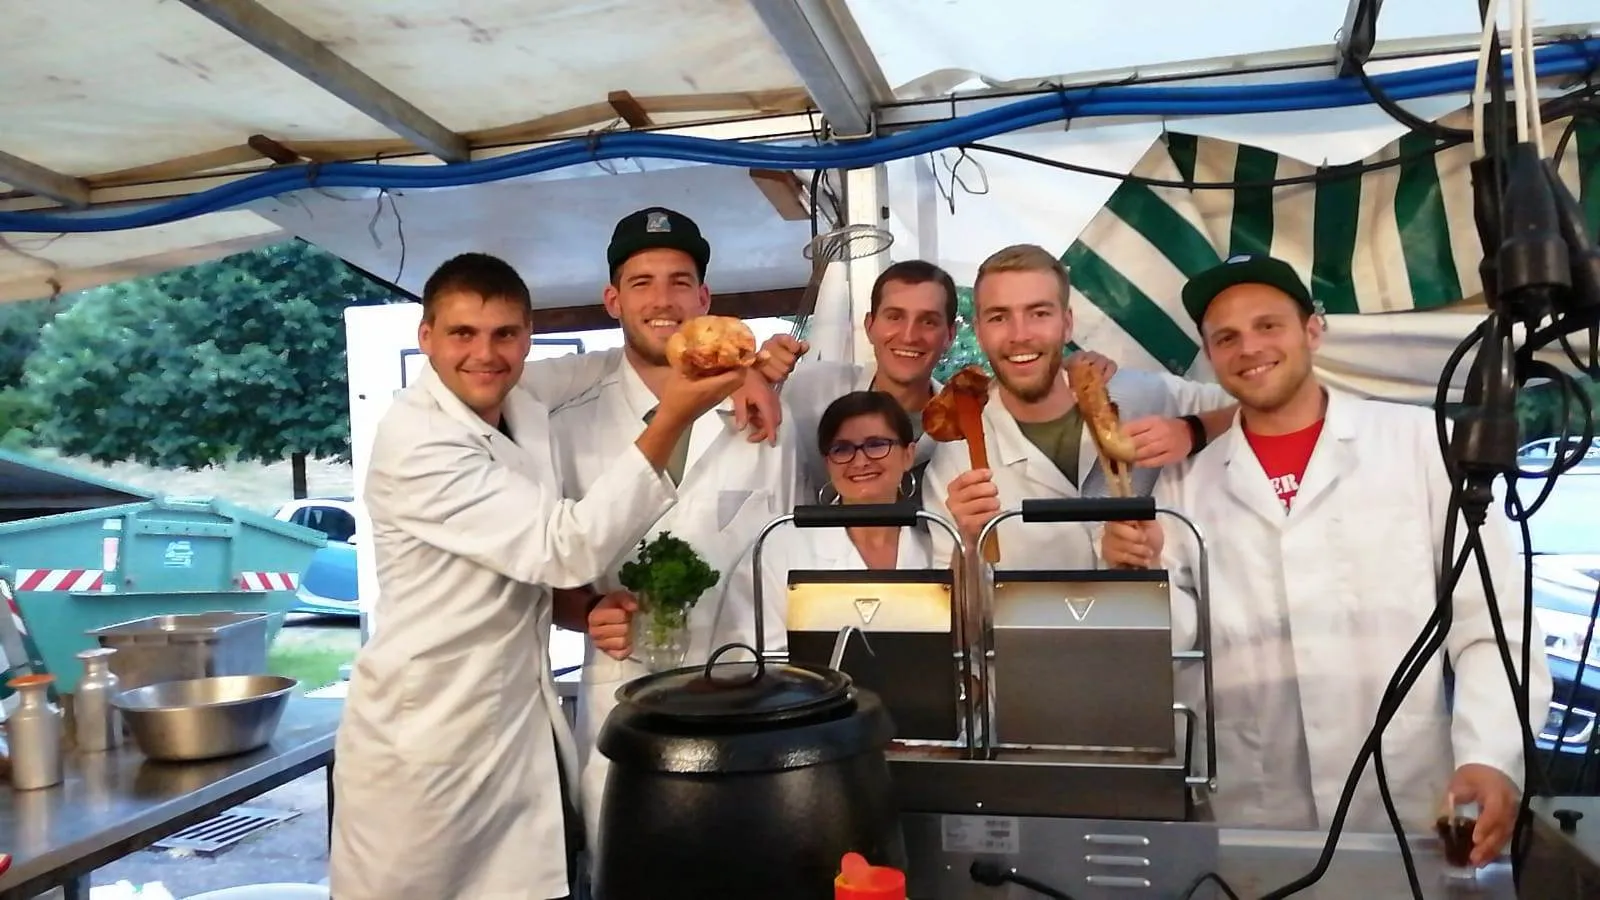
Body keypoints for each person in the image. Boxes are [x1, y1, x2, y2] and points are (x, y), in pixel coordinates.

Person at [1099, 253, 1551, 861]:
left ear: (1313, 329)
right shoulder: (1188, 482)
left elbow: (1493, 627)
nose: (1249, 348)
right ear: (1210, 354)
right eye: (1226, 337)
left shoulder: (1418, 445)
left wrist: (1491, 756)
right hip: (1254, 809)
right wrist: (1138, 572)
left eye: (1268, 325)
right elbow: (1180, 644)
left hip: (1406, 796)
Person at [327, 253, 745, 900]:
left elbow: (628, 363)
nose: (485, 354)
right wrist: (677, 416)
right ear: (427, 338)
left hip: (515, 724)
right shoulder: (419, 443)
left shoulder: (521, 399)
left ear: (528, 337)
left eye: (505, 334)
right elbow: (564, 547)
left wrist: (746, 372)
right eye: (463, 333)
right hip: (427, 738)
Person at [547, 207, 801, 855]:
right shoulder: (570, 426)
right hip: (626, 704)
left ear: (705, 299)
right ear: (612, 299)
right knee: (631, 872)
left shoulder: (768, 416)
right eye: (642, 282)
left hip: (748, 702)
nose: (663, 300)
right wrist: (586, 612)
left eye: (680, 281)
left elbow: (788, 557)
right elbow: (548, 574)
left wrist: (752, 373)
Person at [926, 243, 1237, 569]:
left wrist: (1194, 429)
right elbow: (947, 606)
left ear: (1068, 323)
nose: (1020, 335)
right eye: (999, 317)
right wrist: (969, 544)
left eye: (1039, 313)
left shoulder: (1144, 396)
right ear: (979, 332)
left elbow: (1271, 408)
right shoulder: (958, 461)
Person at [594, 390, 937, 661]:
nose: (860, 460)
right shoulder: (780, 548)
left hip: (926, 741)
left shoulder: (937, 544)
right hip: (816, 734)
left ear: (908, 454)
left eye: (877, 445)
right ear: (827, 462)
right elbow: (756, 658)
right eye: (842, 449)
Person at [775, 259, 1117, 505]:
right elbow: (744, 417)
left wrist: (1065, 368)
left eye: (928, 321)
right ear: (870, 326)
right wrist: (752, 377)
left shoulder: (967, 422)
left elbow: (1028, 390)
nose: (909, 336)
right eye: (895, 317)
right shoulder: (811, 392)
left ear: (950, 335)